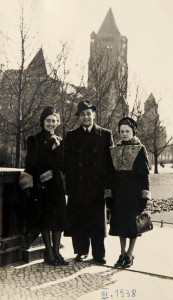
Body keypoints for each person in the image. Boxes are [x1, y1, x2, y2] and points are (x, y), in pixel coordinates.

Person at [63, 100, 113, 264]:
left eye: (89, 113)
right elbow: (66, 163)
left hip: (97, 186)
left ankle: (99, 254)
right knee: (79, 219)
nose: (86, 117)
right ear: (79, 117)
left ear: (94, 114)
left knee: (97, 220)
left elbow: (110, 162)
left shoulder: (105, 134)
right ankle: (81, 251)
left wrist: (108, 186)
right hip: (78, 185)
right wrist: (69, 184)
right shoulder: (71, 135)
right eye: (83, 114)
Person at [20, 106, 69, 266]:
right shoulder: (33, 140)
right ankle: (49, 252)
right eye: (48, 120)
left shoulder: (60, 140)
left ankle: (56, 251)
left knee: (58, 220)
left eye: (54, 121)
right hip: (42, 185)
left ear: (57, 123)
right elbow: (32, 163)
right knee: (46, 219)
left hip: (57, 185)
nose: (51, 124)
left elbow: (62, 164)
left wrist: (58, 149)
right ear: (43, 121)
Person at [109, 117, 151, 268]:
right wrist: (109, 196)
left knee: (133, 226)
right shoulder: (114, 149)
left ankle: (129, 254)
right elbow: (111, 174)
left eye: (127, 131)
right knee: (121, 225)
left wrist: (144, 197)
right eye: (122, 131)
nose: (124, 134)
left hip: (133, 194)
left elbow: (144, 175)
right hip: (119, 194)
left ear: (134, 131)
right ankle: (121, 253)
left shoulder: (141, 149)